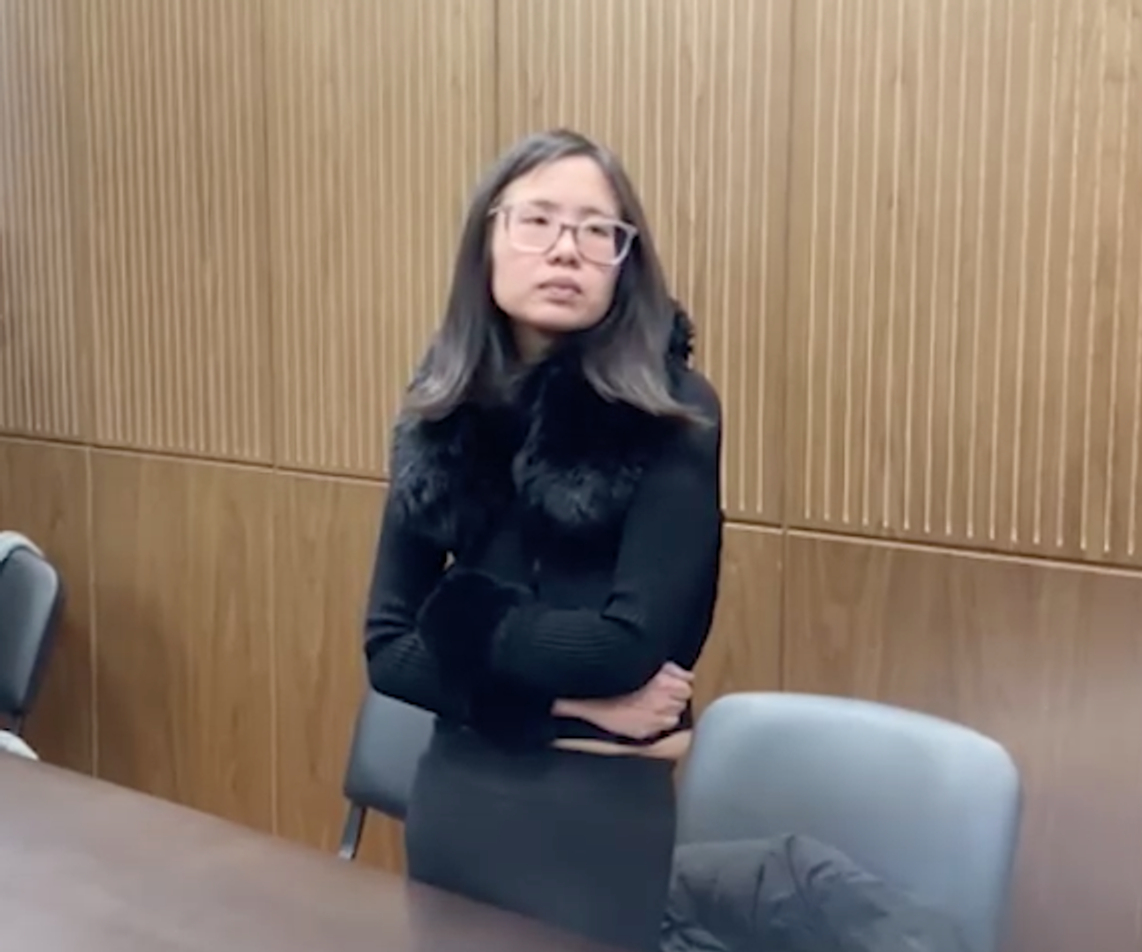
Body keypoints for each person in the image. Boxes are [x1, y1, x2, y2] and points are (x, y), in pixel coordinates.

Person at [362, 128, 724, 952]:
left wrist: (458, 619)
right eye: (538, 221)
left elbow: (624, 649)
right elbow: (386, 649)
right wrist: (564, 704)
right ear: (487, 240)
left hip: (596, 809)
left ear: (625, 262)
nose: (567, 249)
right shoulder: (443, 404)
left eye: (598, 231)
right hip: (458, 793)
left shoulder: (672, 408)